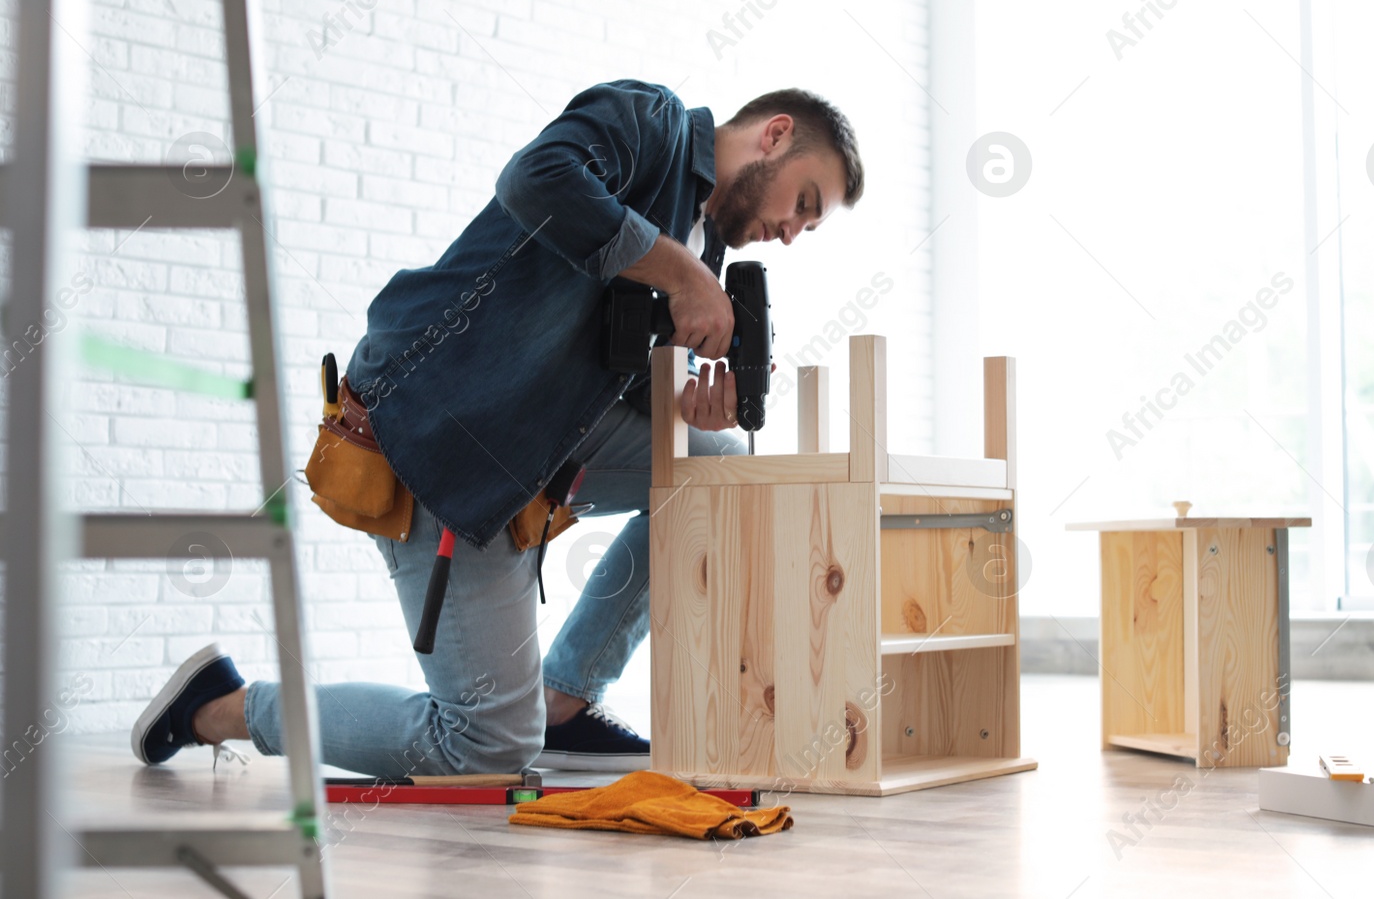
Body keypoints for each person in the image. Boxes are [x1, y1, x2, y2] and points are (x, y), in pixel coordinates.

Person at [131, 79, 865, 777]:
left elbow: (609, 378)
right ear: (773, 135)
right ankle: (220, 706)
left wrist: (688, 406)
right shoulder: (653, 123)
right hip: (440, 434)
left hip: (536, 450)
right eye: (804, 201)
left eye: (809, 224)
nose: (793, 232)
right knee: (486, 746)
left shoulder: (705, 249)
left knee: (719, 473)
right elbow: (536, 179)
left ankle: (566, 698)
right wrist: (679, 273)